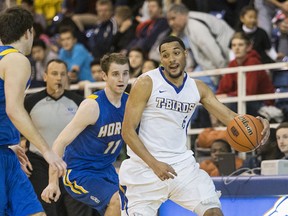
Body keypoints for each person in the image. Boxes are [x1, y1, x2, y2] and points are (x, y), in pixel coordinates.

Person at [119, 36, 270, 216]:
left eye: (176, 53)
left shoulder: (197, 88)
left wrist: (257, 123)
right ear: (161, 59)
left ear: (185, 54)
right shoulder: (146, 82)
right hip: (145, 168)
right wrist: (155, 164)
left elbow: (230, 117)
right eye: (165, 55)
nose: (171, 59)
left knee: (213, 212)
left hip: (182, 167)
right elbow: (127, 131)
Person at [41, 53, 130, 216]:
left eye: (125, 73)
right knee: (115, 200)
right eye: (115, 74)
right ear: (104, 76)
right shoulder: (92, 106)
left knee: (131, 203)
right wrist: (52, 182)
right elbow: (60, 142)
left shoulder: (129, 103)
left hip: (106, 169)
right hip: (79, 171)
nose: (121, 79)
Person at [0, 6, 66, 216]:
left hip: (6, 153)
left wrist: (8, 143)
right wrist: (47, 151)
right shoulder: (17, 60)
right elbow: (13, 109)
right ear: (28, 32)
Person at [24, 59, 95, 216]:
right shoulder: (30, 102)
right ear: (45, 76)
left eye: (63, 74)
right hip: (40, 164)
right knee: (47, 210)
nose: (58, 78)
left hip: (71, 163)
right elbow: (18, 132)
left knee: (77, 211)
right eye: (54, 74)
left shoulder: (80, 103)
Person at [216, 32, 275, 117]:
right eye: (234, 45)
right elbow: (223, 89)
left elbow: (249, 92)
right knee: (206, 106)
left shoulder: (253, 62)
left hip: (262, 104)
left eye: (240, 45)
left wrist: (227, 96)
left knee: (230, 104)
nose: (237, 48)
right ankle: (211, 130)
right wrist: (216, 98)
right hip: (242, 100)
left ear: (248, 47)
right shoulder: (233, 63)